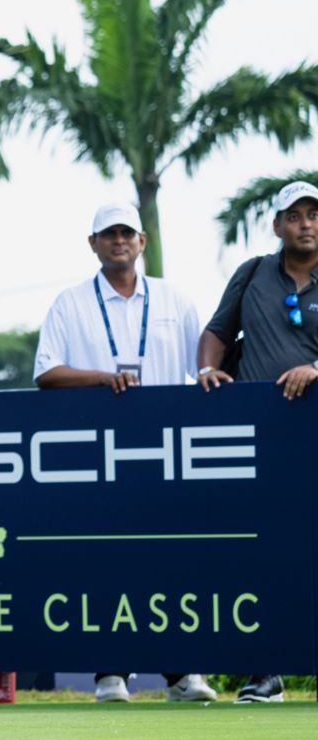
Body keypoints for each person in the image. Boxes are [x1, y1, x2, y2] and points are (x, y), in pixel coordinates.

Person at [32, 202, 215, 704]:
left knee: (171, 560)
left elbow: (200, 367)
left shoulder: (174, 299)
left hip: (165, 451)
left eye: (127, 233)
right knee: (106, 560)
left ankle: (182, 674)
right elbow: (46, 372)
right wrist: (101, 379)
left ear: (142, 241)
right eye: (109, 234)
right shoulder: (70, 303)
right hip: (98, 455)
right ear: (92, 243)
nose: (119, 241)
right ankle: (110, 673)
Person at [195, 180, 318, 704]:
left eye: (314, 215)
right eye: (295, 216)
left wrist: (316, 367)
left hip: (313, 434)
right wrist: (206, 368)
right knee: (263, 552)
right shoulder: (252, 273)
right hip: (261, 438)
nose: (306, 224)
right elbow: (217, 333)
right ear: (277, 225)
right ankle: (266, 673)